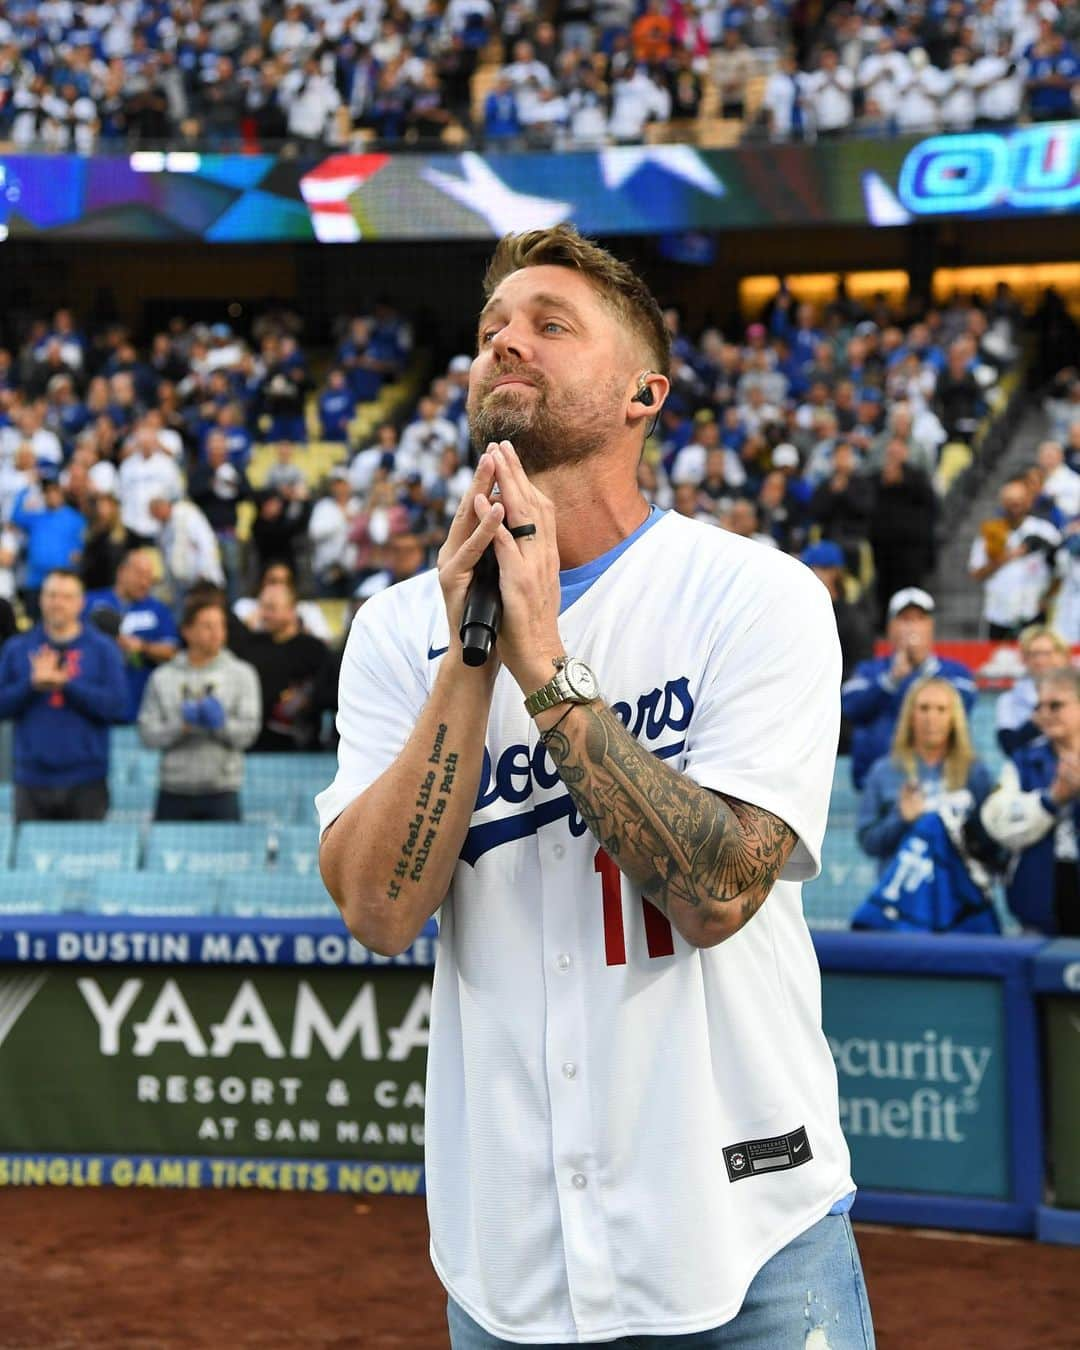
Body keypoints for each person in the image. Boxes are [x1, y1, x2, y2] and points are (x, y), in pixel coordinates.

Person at [317, 226, 872, 1348]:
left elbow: (718, 890)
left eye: (549, 324)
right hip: (512, 1259)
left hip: (746, 1233)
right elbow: (379, 912)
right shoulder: (394, 633)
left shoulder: (752, 595)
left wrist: (545, 665)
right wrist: (473, 655)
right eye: (491, 331)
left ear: (644, 393)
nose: (505, 342)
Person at [0, 568, 127, 822]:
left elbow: (118, 707)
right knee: (29, 860)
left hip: (86, 778)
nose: (58, 603)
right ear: (41, 599)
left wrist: (66, 685)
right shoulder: (18, 648)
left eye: (66, 597)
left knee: (85, 860)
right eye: (52, 595)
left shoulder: (103, 649)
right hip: (31, 778)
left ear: (80, 602)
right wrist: (32, 685)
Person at [137, 594, 261, 821]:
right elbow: (147, 735)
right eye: (207, 626)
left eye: (220, 625)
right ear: (187, 631)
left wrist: (221, 725)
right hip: (173, 789)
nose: (217, 633)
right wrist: (180, 727)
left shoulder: (243, 674)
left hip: (222, 789)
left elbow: (249, 734)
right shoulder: (162, 676)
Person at [842, 587, 977, 790]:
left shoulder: (955, 671)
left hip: (940, 779)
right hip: (877, 782)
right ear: (890, 627)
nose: (912, 627)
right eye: (905, 619)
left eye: (919, 619)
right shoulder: (869, 670)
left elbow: (964, 703)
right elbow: (850, 707)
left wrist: (923, 669)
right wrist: (892, 679)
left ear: (931, 626)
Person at [857, 677, 994, 872]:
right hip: (901, 895)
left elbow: (991, 844)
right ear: (910, 716)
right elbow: (868, 841)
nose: (931, 717)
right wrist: (901, 819)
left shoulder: (974, 772)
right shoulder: (884, 771)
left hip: (959, 895)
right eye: (924, 708)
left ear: (954, 718)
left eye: (941, 709)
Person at [981, 667, 1080, 935]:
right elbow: (996, 822)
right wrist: (1051, 799)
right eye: (1039, 706)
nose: (1043, 714)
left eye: (1055, 705)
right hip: (1037, 908)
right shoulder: (1022, 761)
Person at [84, 548, 180, 723]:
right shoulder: (90, 602)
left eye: (149, 578)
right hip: (96, 710)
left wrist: (143, 647)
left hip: (139, 709)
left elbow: (172, 652)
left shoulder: (158, 610)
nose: (145, 583)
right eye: (139, 575)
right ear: (121, 572)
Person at [237, 577, 331, 752]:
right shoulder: (249, 646)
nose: (264, 614)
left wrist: (306, 700)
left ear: (292, 610)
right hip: (256, 748)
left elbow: (329, 692)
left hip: (304, 750)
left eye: (271, 608)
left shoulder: (314, 649)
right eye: (262, 607)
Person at [968, 476, 1061, 639]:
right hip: (999, 613)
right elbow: (976, 573)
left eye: (1019, 500)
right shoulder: (991, 532)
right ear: (1002, 502)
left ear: (1029, 502)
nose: (1014, 505)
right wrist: (1012, 554)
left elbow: (1061, 571)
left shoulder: (1045, 530)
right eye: (1010, 500)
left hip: (1033, 612)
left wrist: (1048, 598)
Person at [995, 625, 1071, 755]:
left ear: (1062, 656)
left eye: (1047, 653)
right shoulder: (1009, 700)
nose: (1040, 660)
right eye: (1033, 654)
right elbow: (1008, 747)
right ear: (1024, 659)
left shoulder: (1075, 694)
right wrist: (1038, 722)